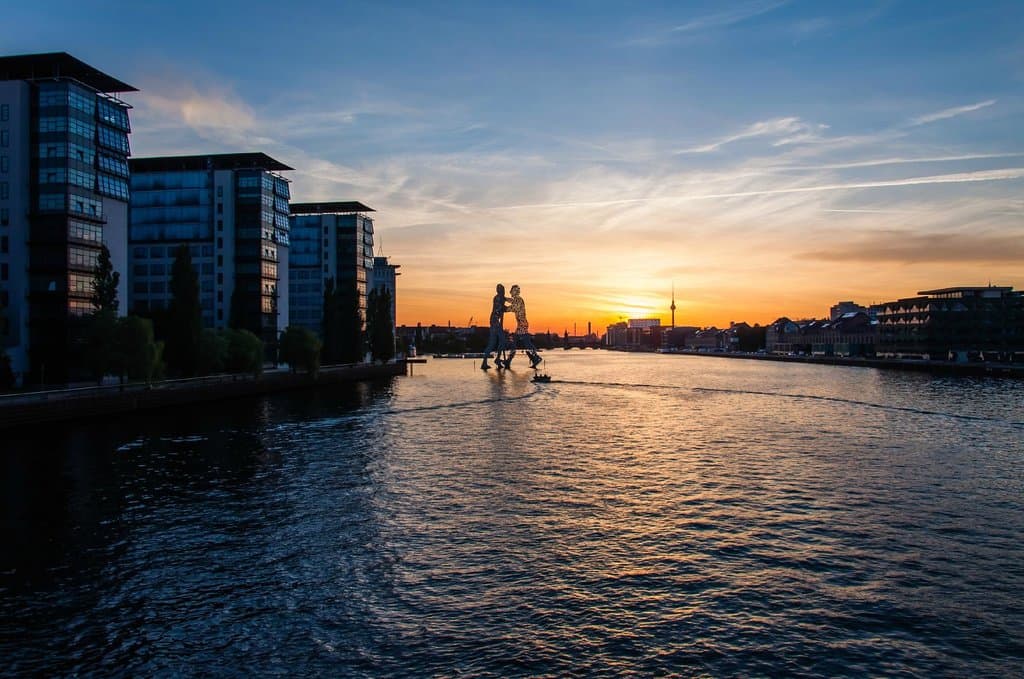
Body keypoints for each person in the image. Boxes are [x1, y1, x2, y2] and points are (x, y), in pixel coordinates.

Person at [506, 284, 542, 369]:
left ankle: (509, 360)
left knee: (516, 342)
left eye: (512, 291)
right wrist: (504, 299)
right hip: (522, 324)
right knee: (526, 342)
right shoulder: (517, 299)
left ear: (515, 292)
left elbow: (512, 308)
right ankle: (535, 358)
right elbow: (511, 301)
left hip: (522, 324)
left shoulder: (519, 300)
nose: (510, 292)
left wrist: (503, 308)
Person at [480, 283, 509, 370]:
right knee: (495, 342)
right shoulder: (498, 298)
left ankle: (494, 360)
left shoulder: (501, 298)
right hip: (495, 322)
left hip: (496, 322)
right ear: (499, 291)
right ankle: (490, 361)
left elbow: (507, 302)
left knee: (500, 341)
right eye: (502, 290)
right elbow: (500, 308)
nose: (504, 292)